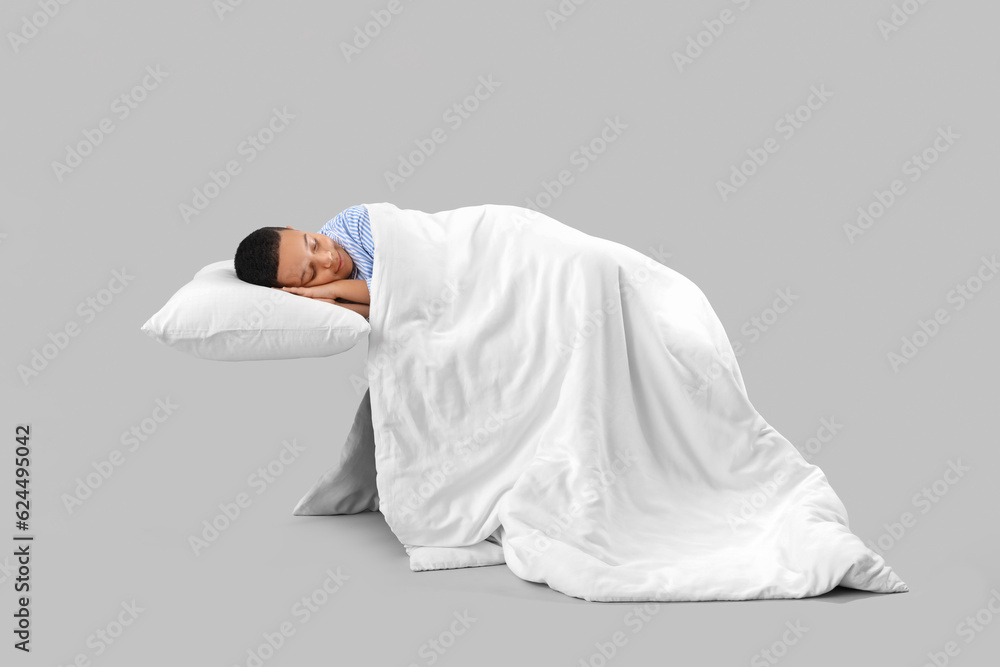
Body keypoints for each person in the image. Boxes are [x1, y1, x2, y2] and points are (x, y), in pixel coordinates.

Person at [233, 205, 373, 319]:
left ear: (294, 230)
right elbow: (383, 314)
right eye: (312, 273)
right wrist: (336, 302)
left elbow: (393, 290)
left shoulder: (354, 223)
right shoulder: (324, 294)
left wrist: (335, 289)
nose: (328, 258)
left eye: (314, 245)